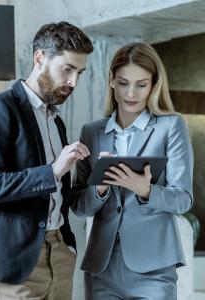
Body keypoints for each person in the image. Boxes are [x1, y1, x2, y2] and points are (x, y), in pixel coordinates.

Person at [0, 22, 93, 300]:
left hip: (59, 254)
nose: (74, 81)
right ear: (40, 59)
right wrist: (52, 172)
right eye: (67, 69)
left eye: (80, 73)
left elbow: (59, 194)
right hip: (16, 263)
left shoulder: (56, 121)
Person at [71, 42, 194, 299]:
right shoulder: (91, 132)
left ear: (153, 85)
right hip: (101, 268)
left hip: (154, 268)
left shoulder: (171, 126)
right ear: (112, 80)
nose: (131, 93)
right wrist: (100, 188)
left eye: (141, 84)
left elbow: (183, 198)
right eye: (124, 82)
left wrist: (146, 190)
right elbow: (79, 207)